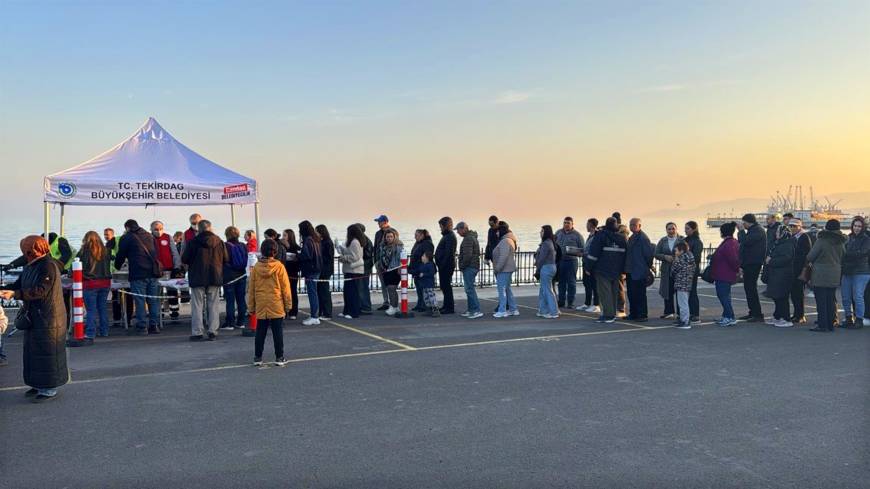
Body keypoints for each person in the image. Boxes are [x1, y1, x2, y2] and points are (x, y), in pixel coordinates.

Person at [0, 236, 68, 402]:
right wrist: (5, 289)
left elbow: (40, 290)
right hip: (35, 315)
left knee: (47, 352)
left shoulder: (48, 266)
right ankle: (37, 384)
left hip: (48, 317)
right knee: (33, 352)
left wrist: (15, 294)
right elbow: (20, 284)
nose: (26, 254)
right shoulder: (31, 265)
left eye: (27, 251)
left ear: (36, 250)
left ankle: (48, 388)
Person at [247, 238, 292, 367]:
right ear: (275, 252)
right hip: (276, 302)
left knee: (260, 331)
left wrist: (251, 306)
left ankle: (257, 357)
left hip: (261, 302)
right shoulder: (279, 267)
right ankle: (279, 357)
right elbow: (285, 288)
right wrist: (288, 305)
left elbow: (252, 289)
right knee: (277, 331)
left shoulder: (256, 268)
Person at [181, 220, 227, 341]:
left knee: (197, 306)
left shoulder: (193, 242)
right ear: (210, 228)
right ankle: (213, 331)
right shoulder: (219, 241)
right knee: (213, 305)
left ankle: (197, 332)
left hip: (197, 277)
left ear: (199, 229)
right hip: (214, 276)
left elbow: (185, 259)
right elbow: (226, 259)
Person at [115, 219, 161, 335]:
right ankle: (154, 326)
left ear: (127, 228)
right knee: (153, 300)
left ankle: (142, 327)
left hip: (138, 273)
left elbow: (121, 254)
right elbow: (156, 252)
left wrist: (117, 266)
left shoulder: (126, 238)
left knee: (140, 301)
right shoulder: (150, 236)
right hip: (153, 272)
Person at [807, 220, 847, 332]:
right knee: (830, 299)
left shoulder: (822, 240)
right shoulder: (841, 241)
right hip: (835, 273)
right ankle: (830, 323)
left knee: (821, 300)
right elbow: (844, 255)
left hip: (820, 274)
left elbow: (810, 256)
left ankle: (822, 324)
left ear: (826, 228)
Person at [587, 217, 627, 323]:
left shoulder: (601, 235)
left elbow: (593, 254)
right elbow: (625, 255)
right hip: (617, 270)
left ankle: (608, 315)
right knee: (614, 293)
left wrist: (588, 267)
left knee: (605, 293)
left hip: (602, 269)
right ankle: (613, 313)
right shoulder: (622, 238)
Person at [77, 231, 111, 341]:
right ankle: (104, 331)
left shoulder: (84, 252)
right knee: (102, 308)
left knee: (91, 310)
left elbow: (78, 266)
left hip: (90, 283)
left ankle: (91, 332)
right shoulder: (106, 251)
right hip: (105, 282)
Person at [841, 216, 870, 328]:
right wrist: (850, 255)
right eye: (855, 226)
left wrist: (847, 255)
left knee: (858, 296)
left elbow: (862, 253)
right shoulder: (848, 238)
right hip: (847, 271)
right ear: (852, 226)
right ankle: (848, 318)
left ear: (863, 227)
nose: (856, 228)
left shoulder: (867, 239)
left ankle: (859, 319)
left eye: (859, 226)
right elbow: (843, 253)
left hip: (862, 271)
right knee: (845, 296)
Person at [764, 225, 796, 328]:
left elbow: (786, 259)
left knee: (782, 297)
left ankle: (785, 318)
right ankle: (777, 316)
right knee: (777, 297)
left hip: (783, 274)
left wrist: (771, 261)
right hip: (776, 274)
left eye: (778, 232)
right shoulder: (779, 243)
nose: (776, 234)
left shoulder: (787, 244)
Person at [710, 222, 741, 326]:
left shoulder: (728, 244)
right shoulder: (732, 242)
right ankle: (726, 316)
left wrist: (737, 269)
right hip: (724, 273)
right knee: (726, 296)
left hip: (724, 274)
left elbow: (733, 259)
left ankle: (730, 317)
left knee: (723, 296)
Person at [737, 213, 766, 322]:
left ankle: (757, 314)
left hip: (753, 263)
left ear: (749, 222)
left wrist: (740, 231)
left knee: (751, 288)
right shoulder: (753, 230)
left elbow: (745, 242)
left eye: (744, 223)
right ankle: (753, 312)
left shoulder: (757, 230)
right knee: (748, 288)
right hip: (750, 262)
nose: (743, 225)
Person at [151, 220, 181, 324]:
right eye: (156, 229)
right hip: (155, 271)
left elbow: (174, 252)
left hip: (170, 269)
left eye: (160, 229)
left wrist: (177, 266)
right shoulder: (149, 238)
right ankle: (159, 315)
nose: (158, 231)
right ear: (151, 229)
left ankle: (174, 314)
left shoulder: (168, 237)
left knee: (172, 292)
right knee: (157, 294)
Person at [625, 218, 654, 322]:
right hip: (630, 270)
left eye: (634, 225)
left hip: (639, 271)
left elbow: (648, 255)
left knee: (640, 294)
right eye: (630, 224)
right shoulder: (632, 237)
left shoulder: (643, 238)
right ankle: (633, 314)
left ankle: (642, 314)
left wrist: (647, 268)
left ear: (639, 226)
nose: (632, 226)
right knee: (631, 294)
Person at [222, 226, 249, 331]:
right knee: (241, 299)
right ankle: (241, 322)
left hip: (229, 277)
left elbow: (224, 260)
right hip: (242, 275)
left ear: (227, 235)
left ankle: (230, 322)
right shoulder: (243, 245)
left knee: (230, 301)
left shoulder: (225, 246)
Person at [654, 222, 683, 319]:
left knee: (679, 291)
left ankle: (680, 312)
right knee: (667, 291)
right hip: (666, 270)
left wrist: (677, 257)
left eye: (673, 228)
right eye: (669, 229)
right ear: (666, 230)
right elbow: (656, 253)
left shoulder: (681, 240)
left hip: (679, 270)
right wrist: (665, 257)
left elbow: (687, 252)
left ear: (676, 229)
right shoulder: (662, 240)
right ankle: (668, 312)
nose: (671, 231)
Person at [554, 217, 584, 309]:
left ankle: (570, 302)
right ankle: (561, 301)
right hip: (560, 261)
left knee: (571, 282)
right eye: (565, 222)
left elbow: (583, 249)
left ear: (572, 224)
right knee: (561, 282)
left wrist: (575, 252)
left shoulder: (577, 235)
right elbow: (553, 245)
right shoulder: (558, 233)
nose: (566, 224)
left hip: (571, 261)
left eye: (568, 223)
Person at [336, 225, 365, 319]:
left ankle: (353, 312)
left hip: (354, 270)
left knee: (353, 292)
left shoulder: (355, 242)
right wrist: (340, 248)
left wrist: (343, 258)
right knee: (348, 292)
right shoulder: (352, 242)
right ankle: (347, 311)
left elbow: (355, 257)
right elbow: (349, 252)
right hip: (350, 270)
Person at [298, 221, 323, 326]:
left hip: (311, 270)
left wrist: (298, 255)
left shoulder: (308, 240)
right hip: (317, 268)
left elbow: (307, 256)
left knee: (312, 293)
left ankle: (314, 316)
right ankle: (315, 315)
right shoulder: (315, 239)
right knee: (314, 293)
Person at [787, 218, 812, 324]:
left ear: (800, 227)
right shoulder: (793, 237)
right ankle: (797, 314)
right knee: (794, 293)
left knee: (798, 293)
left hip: (800, 269)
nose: (792, 228)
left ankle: (800, 315)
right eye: (790, 226)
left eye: (794, 226)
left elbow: (806, 255)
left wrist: (804, 269)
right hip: (793, 268)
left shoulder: (803, 237)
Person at [456, 222, 482, 319]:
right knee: (469, 289)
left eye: (458, 230)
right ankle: (471, 310)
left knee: (469, 289)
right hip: (472, 266)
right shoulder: (471, 237)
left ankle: (475, 310)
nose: (458, 232)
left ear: (464, 229)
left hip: (470, 267)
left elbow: (467, 255)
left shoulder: (468, 239)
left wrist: (462, 266)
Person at [492, 221, 519, 318]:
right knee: (507, 289)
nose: (496, 233)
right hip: (507, 268)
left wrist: (497, 268)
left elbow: (503, 256)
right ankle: (513, 309)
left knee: (501, 289)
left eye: (498, 231)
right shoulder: (509, 240)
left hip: (504, 270)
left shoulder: (505, 241)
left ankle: (502, 310)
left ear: (502, 231)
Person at [377, 228, 403, 315]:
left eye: (391, 236)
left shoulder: (398, 246)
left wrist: (400, 268)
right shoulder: (382, 246)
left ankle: (393, 306)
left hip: (395, 270)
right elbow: (381, 257)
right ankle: (395, 307)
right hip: (385, 270)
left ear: (394, 237)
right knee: (389, 289)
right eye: (387, 237)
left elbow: (402, 258)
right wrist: (380, 267)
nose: (389, 238)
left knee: (392, 288)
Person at [535, 225, 559, 319]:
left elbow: (542, 258)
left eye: (542, 231)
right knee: (543, 290)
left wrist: (537, 269)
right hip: (550, 267)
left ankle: (554, 312)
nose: (540, 233)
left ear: (546, 232)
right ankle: (543, 310)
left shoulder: (546, 244)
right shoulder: (549, 242)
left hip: (546, 267)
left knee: (547, 290)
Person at [577, 218, 600, 313]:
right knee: (587, 284)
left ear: (591, 225)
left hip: (592, 264)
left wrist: (584, 254)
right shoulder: (590, 236)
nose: (586, 226)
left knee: (594, 285)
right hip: (586, 262)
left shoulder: (596, 236)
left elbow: (594, 251)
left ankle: (596, 304)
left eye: (587, 224)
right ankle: (587, 303)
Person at [435, 217, 457, 315]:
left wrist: (442, 264)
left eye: (441, 226)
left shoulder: (450, 236)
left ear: (445, 226)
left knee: (446, 286)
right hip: (444, 266)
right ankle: (446, 306)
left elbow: (448, 253)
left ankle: (449, 307)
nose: (440, 228)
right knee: (444, 286)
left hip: (446, 266)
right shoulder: (447, 236)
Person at [671, 241, 696, 329]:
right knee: (684, 302)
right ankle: (684, 319)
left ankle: (685, 321)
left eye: (676, 251)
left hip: (681, 283)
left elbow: (674, 269)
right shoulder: (690, 257)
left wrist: (676, 259)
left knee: (682, 304)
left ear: (681, 251)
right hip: (687, 282)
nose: (675, 253)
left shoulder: (680, 259)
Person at [409, 229, 434, 312]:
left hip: (421, 269)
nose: (415, 237)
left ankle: (423, 305)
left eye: (416, 235)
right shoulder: (419, 243)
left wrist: (421, 268)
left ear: (422, 235)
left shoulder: (427, 243)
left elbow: (427, 256)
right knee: (419, 288)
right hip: (416, 268)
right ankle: (420, 304)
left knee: (422, 288)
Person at [683, 221, 704, 324]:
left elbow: (696, 257)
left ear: (694, 229)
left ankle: (695, 314)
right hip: (683, 270)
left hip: (692, 270)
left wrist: (685, 257)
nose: (685, 230)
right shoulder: (685, 240)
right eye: (685, 228)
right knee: (683, 292)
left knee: (692, 292)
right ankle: (685, 313)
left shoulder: (697, 242)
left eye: (688, 228)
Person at [280, 229, 301, 320]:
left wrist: (288, 247)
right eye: (283, 235)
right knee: (282, 292)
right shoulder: (280, 246)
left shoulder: (296, 247)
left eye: (285, 235)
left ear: (290, 236)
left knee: (292, 292)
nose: (283, 237)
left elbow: (298, 260)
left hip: (292, 273)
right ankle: (283, 311)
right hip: (283, 272)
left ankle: (293, 312)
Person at [316, 224, 334, 320]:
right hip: (322, 269)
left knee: (324, 291)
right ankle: (322, 311)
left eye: (317, 231)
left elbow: (328, 257)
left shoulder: (327, 242)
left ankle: (327, 313)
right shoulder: (322, 242)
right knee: (320, 291)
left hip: (325, 270)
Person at [373, 215, 392, 311]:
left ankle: (392, 302)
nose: (378, 223)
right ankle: (385, 302)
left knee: (390, 283)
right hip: (379, 262)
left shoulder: (392, 232)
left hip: (389, 263)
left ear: (385, 222)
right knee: (383, 283)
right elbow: (375, 247)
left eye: (379, 222)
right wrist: (375, 261)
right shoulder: (378, 234)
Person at [356, 223, 375, 314]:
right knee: (362, 287)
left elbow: (367, 254)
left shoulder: (364, 240)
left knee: (363, 287)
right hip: (365, 266)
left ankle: (366, 307)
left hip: (364, 267)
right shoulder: (364, 239)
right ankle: (362, 306)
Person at [416, 252, 439, 317]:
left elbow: (432, 273)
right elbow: (418, 271)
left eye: (423, 256)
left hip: (429, 284)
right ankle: (429, 309)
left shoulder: (430, 265)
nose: (421, 257)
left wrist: (424, 274)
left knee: (431, 297)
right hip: (424, 284)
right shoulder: (422, 265)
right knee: (426, 297)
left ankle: (435, 310)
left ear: (427, 258)